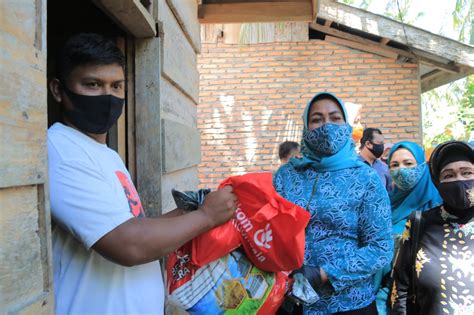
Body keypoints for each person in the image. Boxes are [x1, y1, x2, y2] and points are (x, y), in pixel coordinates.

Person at [47, 33, 237, 314]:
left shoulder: (106, 153)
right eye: (92, 85)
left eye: (116, 86)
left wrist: (191, 211)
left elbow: (131, 226)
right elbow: (128, 244)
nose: (107, 97)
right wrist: (206, 217)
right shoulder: (61, 149)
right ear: (58, 90)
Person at [273, 92, 393, 314]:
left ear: (346, 125)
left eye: (335, 118)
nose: (327, 126)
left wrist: (324, 273)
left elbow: (381, 248)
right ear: (306, 127)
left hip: (349, 303)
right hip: (290, 301)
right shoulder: (286, 176)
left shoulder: (365, 178)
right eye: (317, 119)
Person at [390, 140, 474, 314]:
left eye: (467, 173)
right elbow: (401, 290)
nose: (459, 180)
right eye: (448, 175)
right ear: (437, 182)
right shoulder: (420, 223)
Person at [374, 141, 442, 314]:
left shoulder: (438, 205)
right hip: (381, 296)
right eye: (394, 165)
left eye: (408, 163)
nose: (401, 170)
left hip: (419, 300)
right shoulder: (385, 204)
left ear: (421, 165)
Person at [358, 128, 393, 192]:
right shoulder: (351, 165)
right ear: (368, 144)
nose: (382, 146)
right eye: (380, 143)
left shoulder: (385, 168)